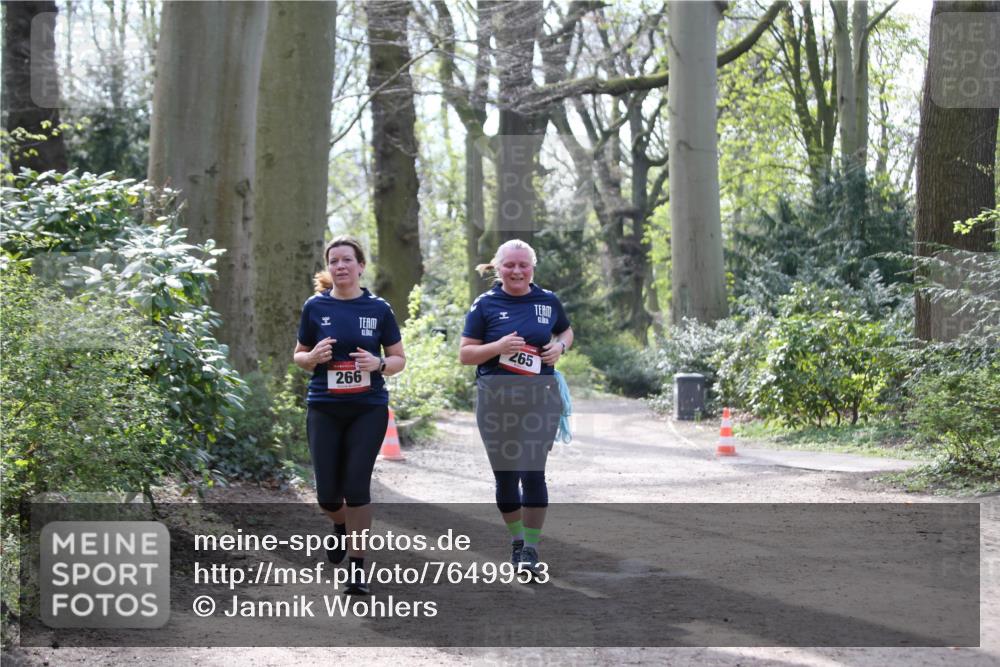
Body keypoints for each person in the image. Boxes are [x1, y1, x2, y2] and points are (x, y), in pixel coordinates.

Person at [293, 236, 405, 595]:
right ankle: (340, 526)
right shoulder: (315, 307)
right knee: (328, 496)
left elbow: (399, 358)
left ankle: (357, 567)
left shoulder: (379, 309)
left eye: (347, 260)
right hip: (324, 406)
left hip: (367, 408)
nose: (340, 266)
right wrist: (312, 359)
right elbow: (299, 354)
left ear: (361, 266)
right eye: (334, 261)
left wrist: (380, 363)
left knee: (356, 487)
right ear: (329, 268)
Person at [459, 239, 574, 576]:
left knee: (532, 470)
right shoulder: (484, 305)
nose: (517, 271)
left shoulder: (547, 300)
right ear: (498, 268)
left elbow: (565, 330)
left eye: (523, 265)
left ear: (532, 269)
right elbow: (465, 354)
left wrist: (559, 347)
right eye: (510, 265)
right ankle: (517, 540)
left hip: (540, 398)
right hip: (496, 400)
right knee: (507, 478)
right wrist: (498, 346)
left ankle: (531, 550)